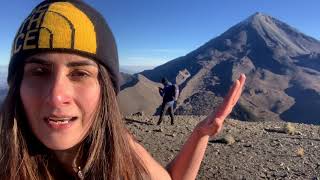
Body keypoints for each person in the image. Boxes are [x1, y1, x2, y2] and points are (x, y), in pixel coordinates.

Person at [0, 0, 246, 179]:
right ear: (17, 83)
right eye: (39, 72)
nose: (56, 96)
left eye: (80, 73)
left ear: (104, 87)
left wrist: (201, 134)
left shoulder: (120, 145)